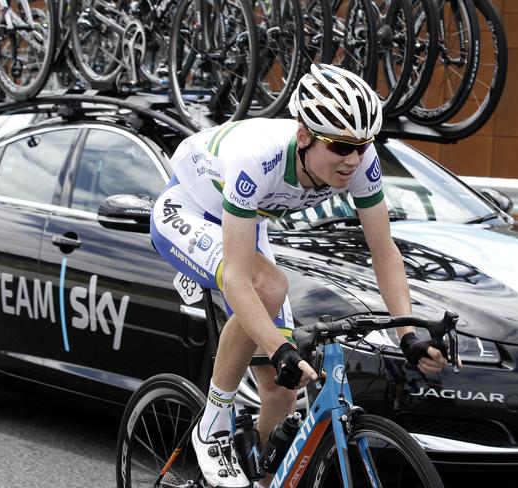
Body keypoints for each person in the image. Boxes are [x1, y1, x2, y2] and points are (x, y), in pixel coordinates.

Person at [150, 64, 450, 488]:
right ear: (305, 135)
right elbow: (237, 277)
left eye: (363, 145)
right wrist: (277, 348)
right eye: (341, 145)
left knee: (283, 392)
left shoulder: (359, 162)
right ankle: (212, 425)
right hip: (188, 211)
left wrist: (407, 335)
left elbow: (384, 253)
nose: (353, 159)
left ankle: (257, 476)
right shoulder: (256, 156)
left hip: (244, 225)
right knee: (267, 287)